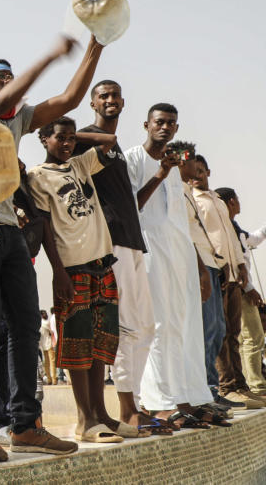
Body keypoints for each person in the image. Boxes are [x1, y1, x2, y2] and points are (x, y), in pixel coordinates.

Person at [0, 34, 103, 462]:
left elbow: (70, 99)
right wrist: (50, 55)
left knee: (26, 328)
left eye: (11, 77)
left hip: (8, 230)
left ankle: (25, 425)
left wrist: (96, 44)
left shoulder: (18, 118)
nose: (8, 82)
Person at [27, 117, 140, 442]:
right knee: (77, 346)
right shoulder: (38, 176)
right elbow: (45, 226)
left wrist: (74, 136)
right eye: (59, 138)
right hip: (73, 267)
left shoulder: (79, 163)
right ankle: (84, 420)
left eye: (70, 139)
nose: (66, 145)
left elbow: (110, 140)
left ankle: (101, 414)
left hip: (102, 262)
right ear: (44, 139)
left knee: (101, 344)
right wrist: (58, 271)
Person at [125, 104, 223, 429]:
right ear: (146, 125)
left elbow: (180, 224)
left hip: (178, 257)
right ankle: (161, 403)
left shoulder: (175, 169)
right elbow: (131, 207)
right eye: (159, 122)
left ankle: (186, 399)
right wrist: (160, 173)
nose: (164, 127)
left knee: (184, 328)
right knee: (158, 327)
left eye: (170, 123)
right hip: (150, 251)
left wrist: (196, 269)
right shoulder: (135, 159)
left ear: (176, 129)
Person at [72, 80, 159, 432]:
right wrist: (103, 138)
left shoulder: (117, 147)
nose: (110, 100)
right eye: (102, 95)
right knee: (122, 328)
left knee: (146, 328)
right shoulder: (86, 138)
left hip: (134, 242)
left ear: (123, 102)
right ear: (93, 102)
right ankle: (125, 409)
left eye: (114, 95)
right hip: (112, 244)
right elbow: (64, 138)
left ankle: (134, 402)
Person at [187, 155, 264, 409]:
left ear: (208, 172)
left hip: (231, 274)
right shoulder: (192, 200)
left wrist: (240, 266)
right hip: (216, 273)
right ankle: (223, 386)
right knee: (215, 333)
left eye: (201, 171)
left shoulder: (216, 201)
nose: (197, 175)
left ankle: (238, 385)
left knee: (230, 333)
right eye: (193, 171)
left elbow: (231, 237)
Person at [172, 142, 234, 412]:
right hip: (196, 265)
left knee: (218, 329)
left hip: (210, 263)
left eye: (200, 168)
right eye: (190, 165)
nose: (196, 173)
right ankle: (206, 390)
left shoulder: (187, 192)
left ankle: (208, 389)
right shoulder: (175, 191)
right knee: (207, 329)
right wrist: (199, 270)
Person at [218, 187, 266, 395]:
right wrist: (249, 289)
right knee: (252, 337)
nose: (239, 202)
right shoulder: (226, 229)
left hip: (243, 289)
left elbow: (252, 240)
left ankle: (248, 383)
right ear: (231, 202)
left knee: (244, 337)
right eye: (237, 199)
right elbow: (235, 263)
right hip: (240, 289)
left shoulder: (235, 229)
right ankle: (255, 384)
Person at [39, 311, 55, 385]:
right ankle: (54, 379)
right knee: (52, 362)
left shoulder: (39, 323)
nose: (46, 315)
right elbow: (52, 332)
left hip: (43, 345)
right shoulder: (45, 323)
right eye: (44, 314)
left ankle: (49, 379)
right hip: (49, 344)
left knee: (46, 362)